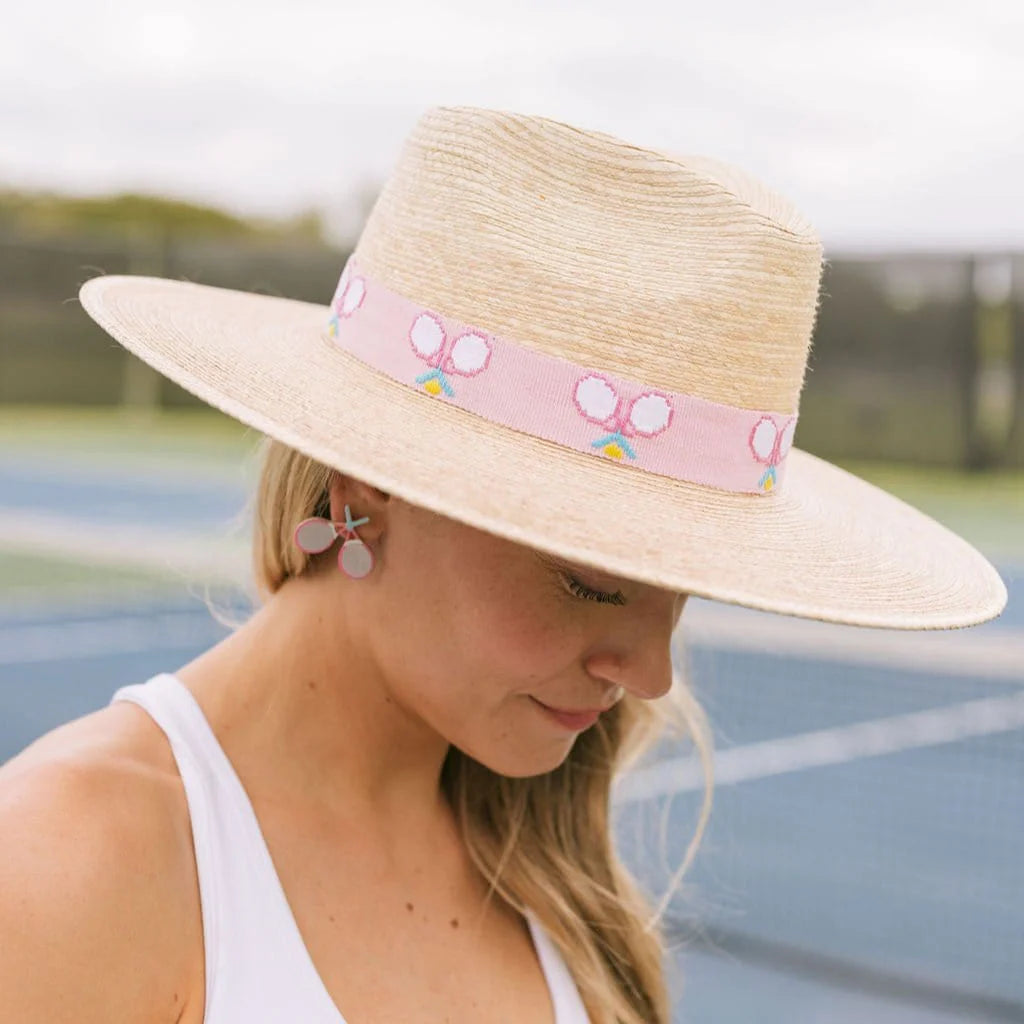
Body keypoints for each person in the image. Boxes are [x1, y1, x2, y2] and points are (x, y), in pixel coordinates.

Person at [0, 104, 1006, 1024]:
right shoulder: (68, 861)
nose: (651, 673)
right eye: (593, 582)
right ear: (364, 487)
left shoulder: (545, 863)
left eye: (682, 591)